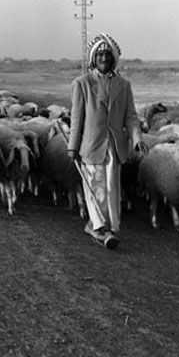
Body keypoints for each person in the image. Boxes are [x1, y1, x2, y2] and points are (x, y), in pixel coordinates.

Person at [67, 33, 148, 249]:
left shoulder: (123, 84)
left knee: (111, 188)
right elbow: (77, 119)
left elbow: (131, 116)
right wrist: (73, 147)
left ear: (113, 58)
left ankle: (107, 225)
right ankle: (98, 227)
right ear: (94, 58)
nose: (104, 58)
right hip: (91, 145)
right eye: (100, 54)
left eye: (107, 54)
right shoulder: (81, 84)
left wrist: (137, 138)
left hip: (114, 145)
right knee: (95, 185)